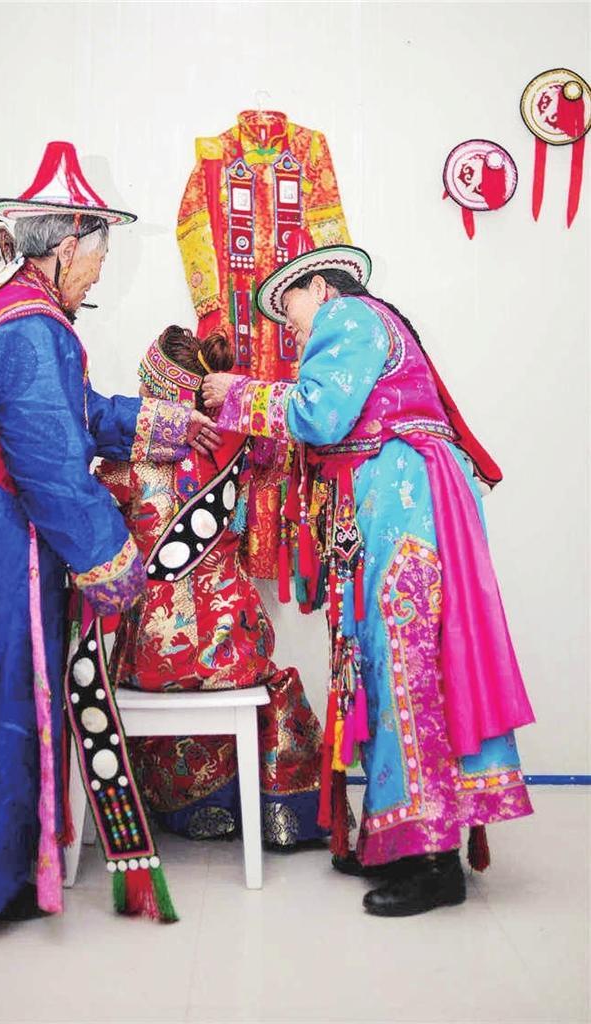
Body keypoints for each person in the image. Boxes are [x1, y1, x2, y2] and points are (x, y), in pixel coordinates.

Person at [0, 141, 219, 931]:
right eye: (98, 258)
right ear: (65, 248)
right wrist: (118, 568)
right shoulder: (32, 328)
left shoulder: (19, 307)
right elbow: (53, 468)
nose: (98, 274)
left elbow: (74, 411)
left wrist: (165, 423)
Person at [202, 231, 535, 916]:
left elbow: (319, 415)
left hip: (402, 504)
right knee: (391, 667)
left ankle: (431, 861)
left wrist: (237, 394)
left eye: (289, 309)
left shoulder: (348, 314)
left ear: (320, 287)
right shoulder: (372, 324)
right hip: (399, 501)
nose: (290, 329)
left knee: (404, 667)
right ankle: (404, 840)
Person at [95, 325, 335, 850]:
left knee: (158, 678)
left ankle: (193, 806)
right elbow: (282, 452)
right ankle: (282, 812)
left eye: (145, 386)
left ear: (160, 394)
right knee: (273, 685)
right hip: (234, 646)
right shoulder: (240, 448)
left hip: (153, 654)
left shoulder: (124, 463)